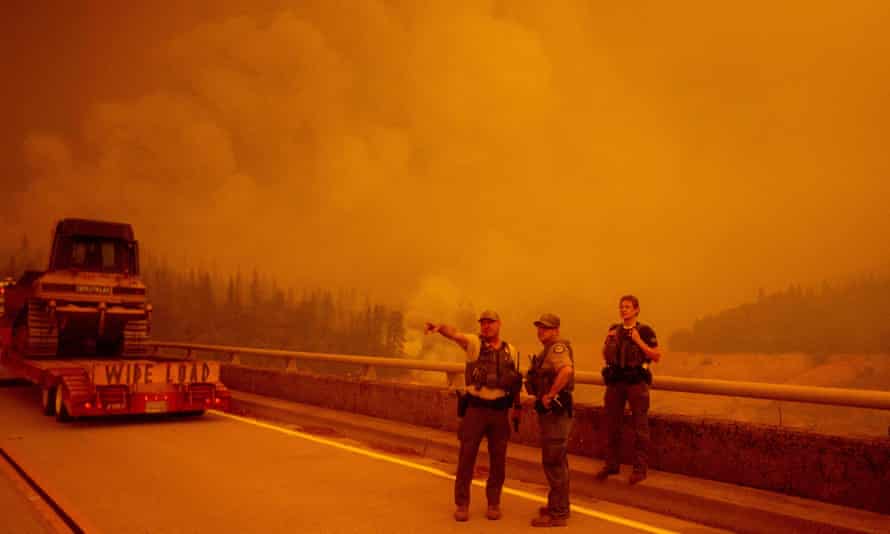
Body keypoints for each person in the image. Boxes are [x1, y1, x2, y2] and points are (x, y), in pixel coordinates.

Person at [425, 310, 522, 522]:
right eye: (483, 323)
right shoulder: (474, 344)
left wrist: (517, 407)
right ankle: (462, 504)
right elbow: (456, 334)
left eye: (490, 322)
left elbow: (515, 381)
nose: (486, 326)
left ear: (499, 324)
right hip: (476, 410)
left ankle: (494, 503)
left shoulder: (511, 350)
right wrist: (441, 328)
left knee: (499, 461)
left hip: (500, 411)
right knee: (467, 457)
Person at [597, 295, 662, 485]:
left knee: (640, 427)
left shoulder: (645, 330)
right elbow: (605, 355)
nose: (623, 310)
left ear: (636, 310)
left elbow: (656, 355)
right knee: (612, 425)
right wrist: (607, 340)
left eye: (627, 307)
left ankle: (640, 469)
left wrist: (639, 341)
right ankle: (611, 464)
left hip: (636, 383)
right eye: (621, 307)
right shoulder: (614, 330)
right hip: (616, 383)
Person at [525, 313, 574, 527]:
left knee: (554, 462)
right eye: (539, 327)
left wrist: (550, 394)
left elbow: (566, 370)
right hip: (552, 415)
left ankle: (558, 514)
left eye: (545, 328)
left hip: (556, 414)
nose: (540, 331)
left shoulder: (556, 349)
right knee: (558, 461)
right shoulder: (546, 351)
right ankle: (560, 505)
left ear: (556, 330)